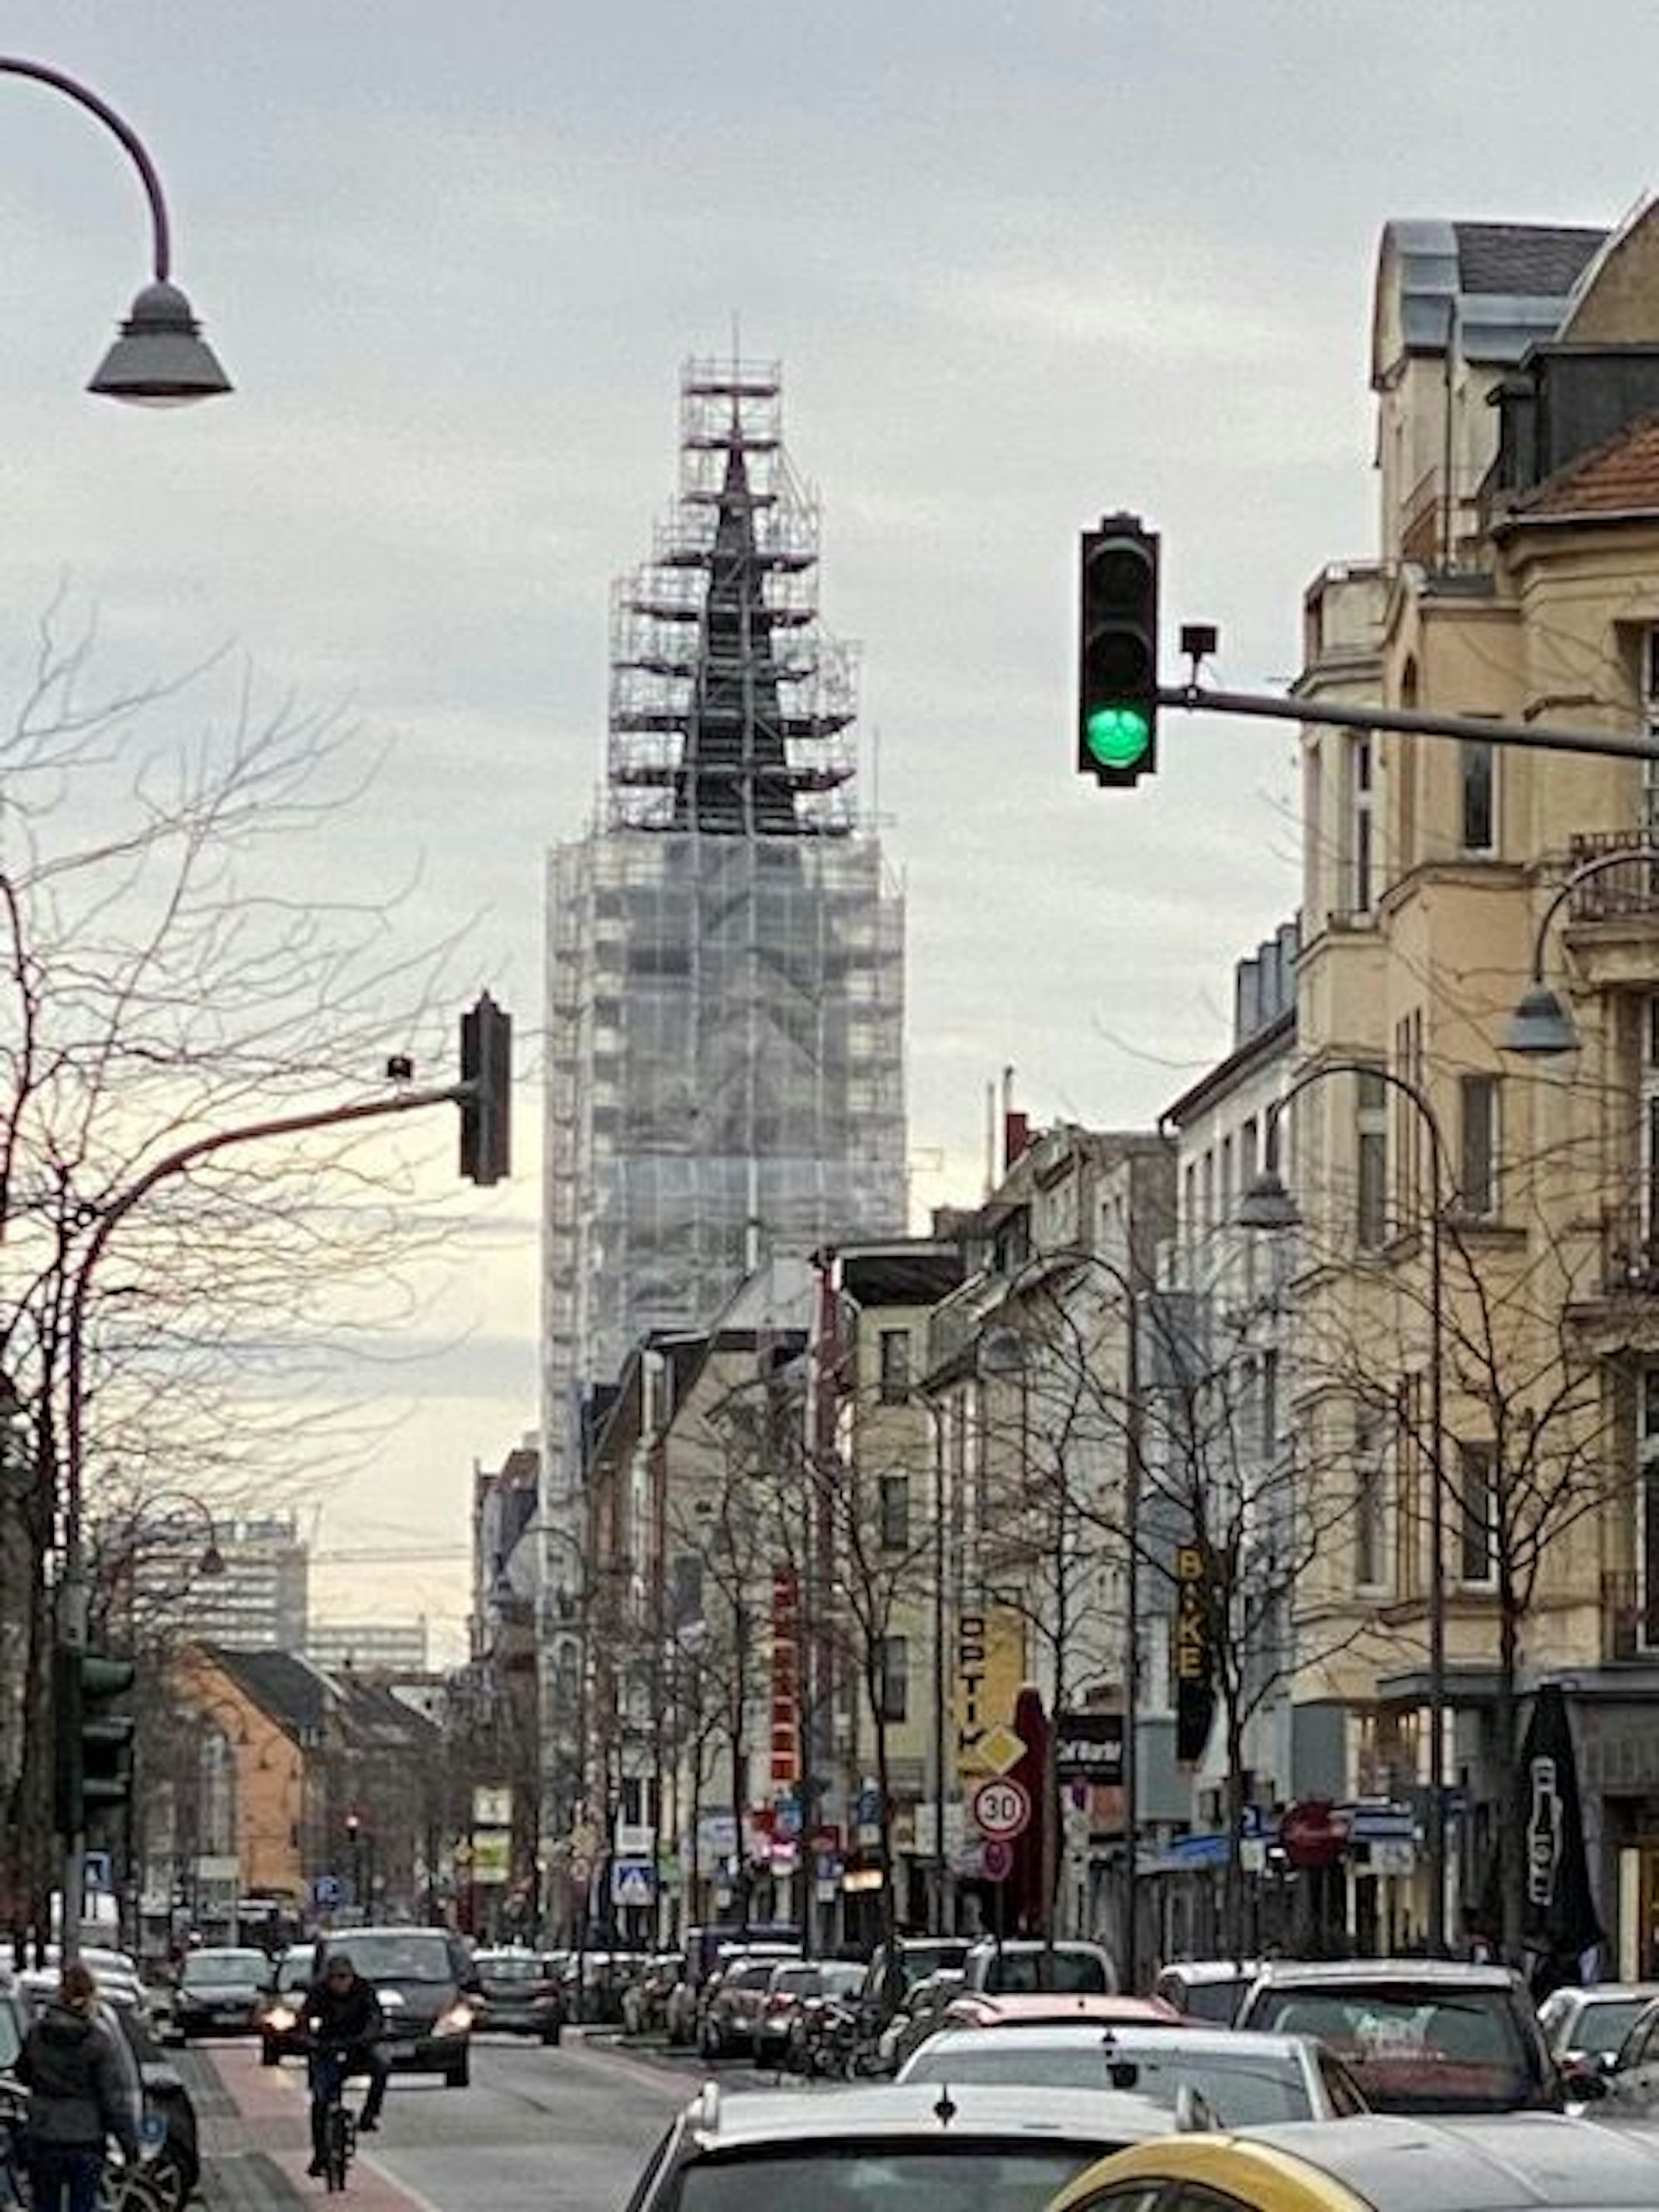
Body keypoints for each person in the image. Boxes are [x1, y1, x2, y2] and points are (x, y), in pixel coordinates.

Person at [16, 1961, 141, 2212]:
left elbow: (23, 2073)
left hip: (44, 2133)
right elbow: (112, 2098)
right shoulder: (98, 2039)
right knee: (83, 2204)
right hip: (86, 2137)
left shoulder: (38, 2033)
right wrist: (130, 2147)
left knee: (44, 2203)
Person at [301, 1951, 388, 2175]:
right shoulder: (318, 1992)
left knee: (381, 2067)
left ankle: (370, 2115)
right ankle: (320, 2155)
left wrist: (368, 2037)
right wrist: (310, 2041)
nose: (340, 1983)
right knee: (321, 2101)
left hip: (357, 2047)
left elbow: (376, 2018)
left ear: (352, 1977)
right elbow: (303, 2021)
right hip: (326, 2048)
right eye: (335, 1978)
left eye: (344, 1977)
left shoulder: (364, 1990)